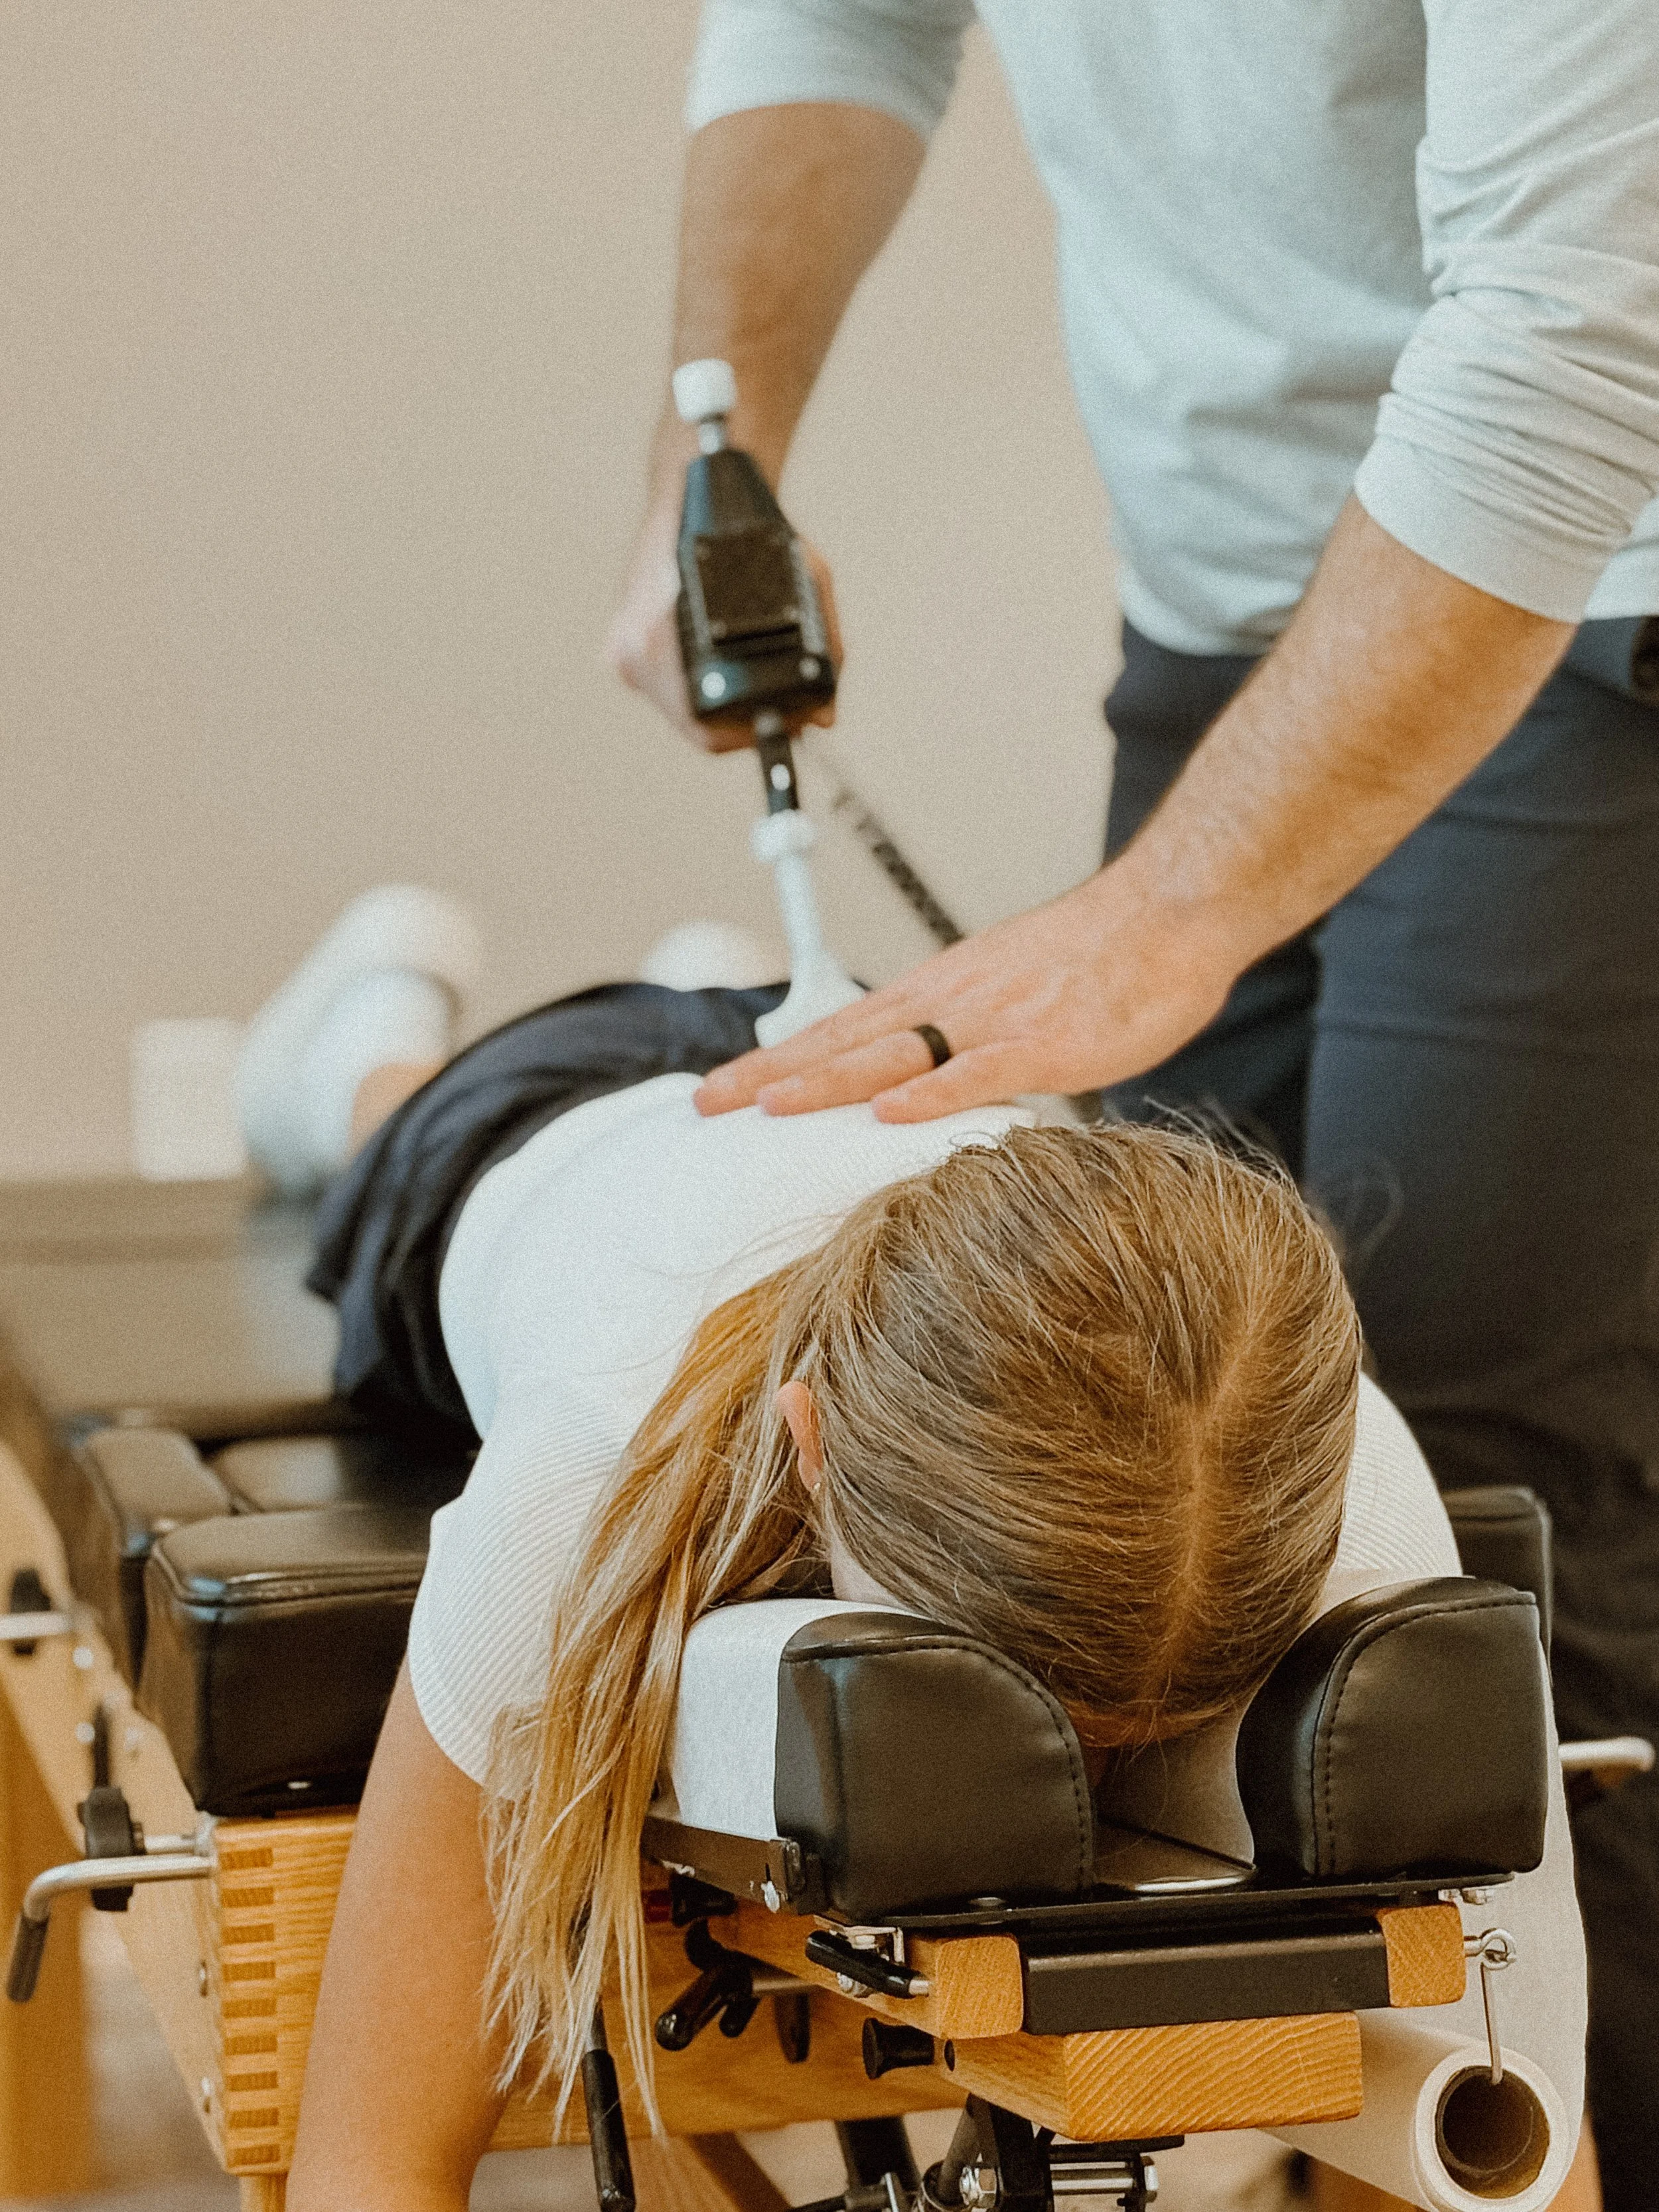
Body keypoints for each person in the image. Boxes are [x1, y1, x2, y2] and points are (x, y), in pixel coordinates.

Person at [605, 10, 1659, 2197]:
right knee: (1153, 1481)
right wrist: (725, 442)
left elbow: (1571, 349)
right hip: (1238, 597)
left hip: (1591, 579)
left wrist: (1170, 912)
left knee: (1478, 1538)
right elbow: (839, 16)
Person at [238, 893, 1585, 2211]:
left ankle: (737, 967)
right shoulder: (576, 1485)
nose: (1087, 1781)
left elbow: (1523, 2122)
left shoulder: (1339, 1466)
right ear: (810, 1446)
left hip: (882, 1081)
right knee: (382, 1130)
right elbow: (371, 2163)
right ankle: (362, 1032)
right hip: (544, 1126)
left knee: (801, 1042)